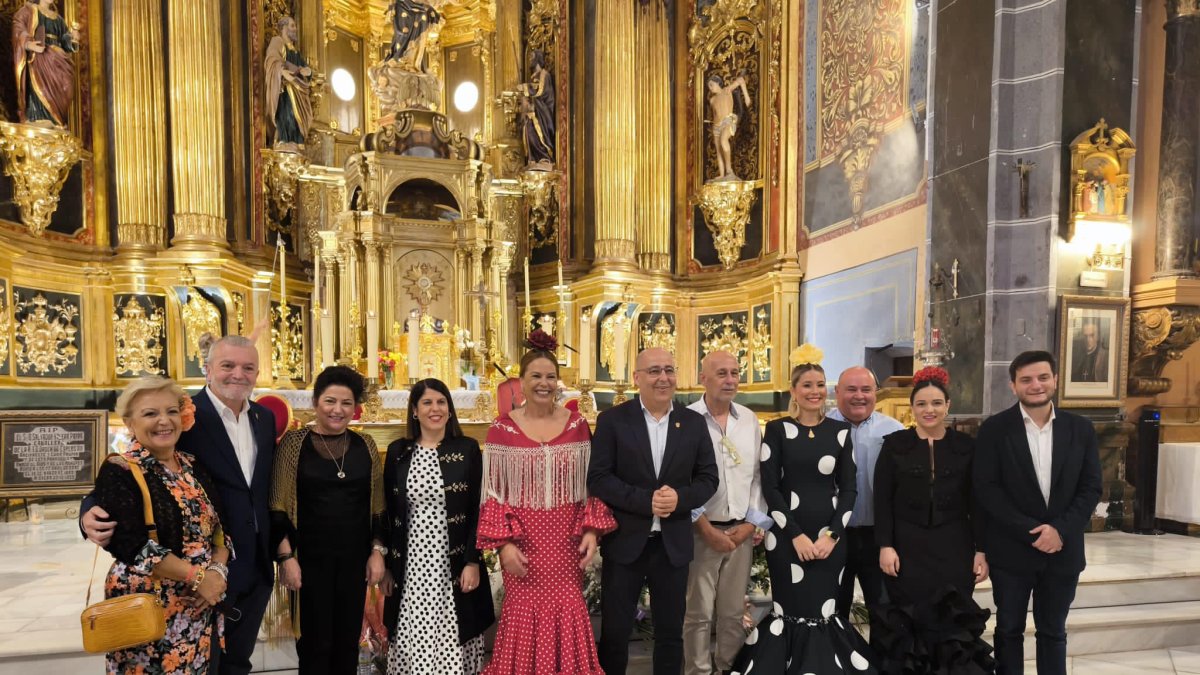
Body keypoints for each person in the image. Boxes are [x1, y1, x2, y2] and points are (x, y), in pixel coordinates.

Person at [83, 335, 278, 675]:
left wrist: (222, 567)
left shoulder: (263, 418)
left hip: (244, 566)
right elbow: (120, 488)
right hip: (176, 589)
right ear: (207, 369)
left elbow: (249, 495)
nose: (238, 374)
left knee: (235, 664)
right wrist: (88, 511)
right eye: (227, 365)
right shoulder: (188, 416)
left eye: (248, 367)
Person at [729, 346, 876, 674]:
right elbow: (771, 489)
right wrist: (794, 536)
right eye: (807, 384)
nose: (815, 391)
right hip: (785, 540)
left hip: (830, 541)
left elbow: (849, 491)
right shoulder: (778, 430)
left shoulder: (840, 433)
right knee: (792, 611)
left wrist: (832, 535)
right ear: (794, 390)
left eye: (820, 384)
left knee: (824, 612)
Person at [479, 330, 616, 674]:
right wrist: (504, 546)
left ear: (559, 382)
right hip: (523, 545)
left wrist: (591, 533)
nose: (544, 383)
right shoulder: (502, 428)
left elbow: (592, 484)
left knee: (568, 608)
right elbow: (493, 493)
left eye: (551, 377)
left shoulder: (578, 425)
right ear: (520, 383)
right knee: (523, 611)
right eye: (535, 376)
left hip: (566, 543)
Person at [588, 347, 720, 675]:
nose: (663, 378)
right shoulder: (613, 421)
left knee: (670, 635)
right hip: (626, 543)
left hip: (672, 546)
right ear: (637, 378)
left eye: (669, 370)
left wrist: (680, 498)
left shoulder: (692, 423)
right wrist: (644, 501)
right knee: (616, 633)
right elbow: (599, 478)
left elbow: (709, 478)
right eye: (654, 371)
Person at [973, 350, 1102, 675]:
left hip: (1063, 550)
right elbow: (987, 490)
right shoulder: (994, 429)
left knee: (1053, 632)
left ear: (1055, 380)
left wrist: (1059, 530)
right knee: (1009, 630)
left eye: (1043, 377)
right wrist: (1032, 531)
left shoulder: (1080, 429)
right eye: (1026, 379)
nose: (1036, 385)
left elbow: (1090, 488)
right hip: (1012, 551)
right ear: (1013, 385)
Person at [92, 377, 230, 673]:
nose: (164, 421)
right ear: (129, 423)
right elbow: (131, 545)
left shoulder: (193, 465)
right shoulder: (119, 470)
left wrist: (216, 575)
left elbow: (220, 529)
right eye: (150, 413)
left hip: (195, 606)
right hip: (147, 605)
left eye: (170, 411)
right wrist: (199, 578)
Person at [873, 367, 993, 674]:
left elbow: (978, 503)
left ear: (948, 406)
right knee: (912, 621)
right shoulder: (894, 445)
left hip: (955, 546)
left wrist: (981, 550)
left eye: (937, 403)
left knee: (951, 620)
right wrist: (885, 546)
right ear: (912, 408)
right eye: (922, 404)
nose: (930, 410)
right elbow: (882, 502)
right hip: (907, 549)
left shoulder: (967, 447)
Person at [270, 365, 387, 675]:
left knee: (347, 644)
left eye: (346, 403)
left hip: (353, 561)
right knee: (314, 645)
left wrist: (378, 551)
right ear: (315, 402)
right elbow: (278, 505)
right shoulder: (294, 445)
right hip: (308, 561)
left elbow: (377, 505)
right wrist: (285, 557)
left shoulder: (366, 445)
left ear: (355, 408)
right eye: (330, 401)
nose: (338, 410)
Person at [383, 378, 494, 674]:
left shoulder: (468, 449)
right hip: (412, 566)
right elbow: (388, 511)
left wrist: (472, 560)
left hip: (453, 563)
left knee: (452, 637)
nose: (436, 409)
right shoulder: (398, 452)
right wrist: (388, 567)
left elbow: (478, 511)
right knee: (411, 637)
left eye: (441, 402)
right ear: (415, 411)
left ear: (450, 408)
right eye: (428, 402)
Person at [683, 350, 772, 675]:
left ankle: (729, 669)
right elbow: (681, 479)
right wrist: (704, 527)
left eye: (735, 373)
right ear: (702, 378)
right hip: (700, 531)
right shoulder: (687, 419)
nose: (730, 380)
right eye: (721, 373)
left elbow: (758, 478)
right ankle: (697, 671)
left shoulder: (748, 419)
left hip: (741, 533)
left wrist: (751, 524)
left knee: (734, 611)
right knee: (698, 612)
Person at [827, 365, 904, 643]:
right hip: (833, 536)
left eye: (866, 389)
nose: (859, 396)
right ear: (836, 392)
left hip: (879, 538)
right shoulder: (822, 428)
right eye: (851, 389)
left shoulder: (895, 431)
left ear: (876, 393)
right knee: (833, 610)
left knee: (884, 611)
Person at [12, 0, 78, 127]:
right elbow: (18, 28)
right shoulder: (29, 10)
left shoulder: (58, 19)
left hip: (60, 61)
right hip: (40, 58)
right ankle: (38, 116)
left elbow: (65, 41)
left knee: (67, 87)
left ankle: (58, 120)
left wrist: (73, 38)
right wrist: (28, 43)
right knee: (39, 86)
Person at [265, 16, 313, 150]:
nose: (295, 29)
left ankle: (297, 143)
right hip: (284, 89)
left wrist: (308, 71)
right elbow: (271, 60)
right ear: (284, 28)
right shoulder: (277, 41)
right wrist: (282, 71)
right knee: (287, 115)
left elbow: (304, 67)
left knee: (297, 120)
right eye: (292, 26)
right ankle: (284, 141)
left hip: (298, 90)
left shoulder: (295, 50)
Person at [706, 73, 750, 181]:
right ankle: (722, 174)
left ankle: (729, 170)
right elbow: (715, 114)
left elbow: (740, 80)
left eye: (711, 85)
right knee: (718, 150)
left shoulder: (727, 90)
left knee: (723, 140)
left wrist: (747, 97)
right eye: (709, 87)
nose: (710, 88)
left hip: (728, 121)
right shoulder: (712, 100)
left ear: (717, 83)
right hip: (716, 126)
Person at [519, 50, 555, 167]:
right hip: (533, 112)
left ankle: (544, 156)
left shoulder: (544, 74)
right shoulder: (534, 76)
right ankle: (533, 157)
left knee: (535, 131)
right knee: (528, 131)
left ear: (538, 58)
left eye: (532, 57)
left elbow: (541, 91)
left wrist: (525, 87)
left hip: (542, 112)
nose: (529, 60)